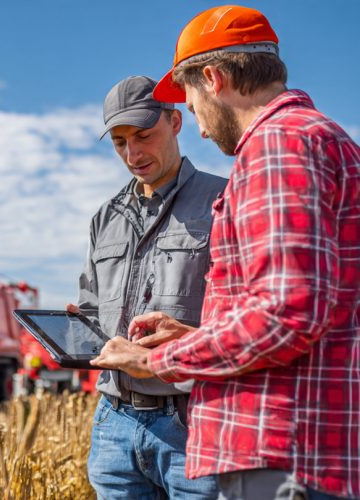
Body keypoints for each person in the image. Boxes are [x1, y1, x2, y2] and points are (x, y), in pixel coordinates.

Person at [92, 6, 360, 500]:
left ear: (213, 79)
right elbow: (302, 310)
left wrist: (158, 359)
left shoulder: (279, 146)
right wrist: (197, 334)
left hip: (283, 451)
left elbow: (286, 313)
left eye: (192, 107)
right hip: (293, 446)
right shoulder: (308, 139)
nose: (200, 127)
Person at [69, 75, 225, 498]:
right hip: (113, 426)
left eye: (143, 135)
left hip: (192, 424)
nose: (132, 153)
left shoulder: (224, 201)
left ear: (176, 122)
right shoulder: (105, 218)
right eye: (119, 142)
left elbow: (241, 321)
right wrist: (74, 333)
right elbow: (90, 310)